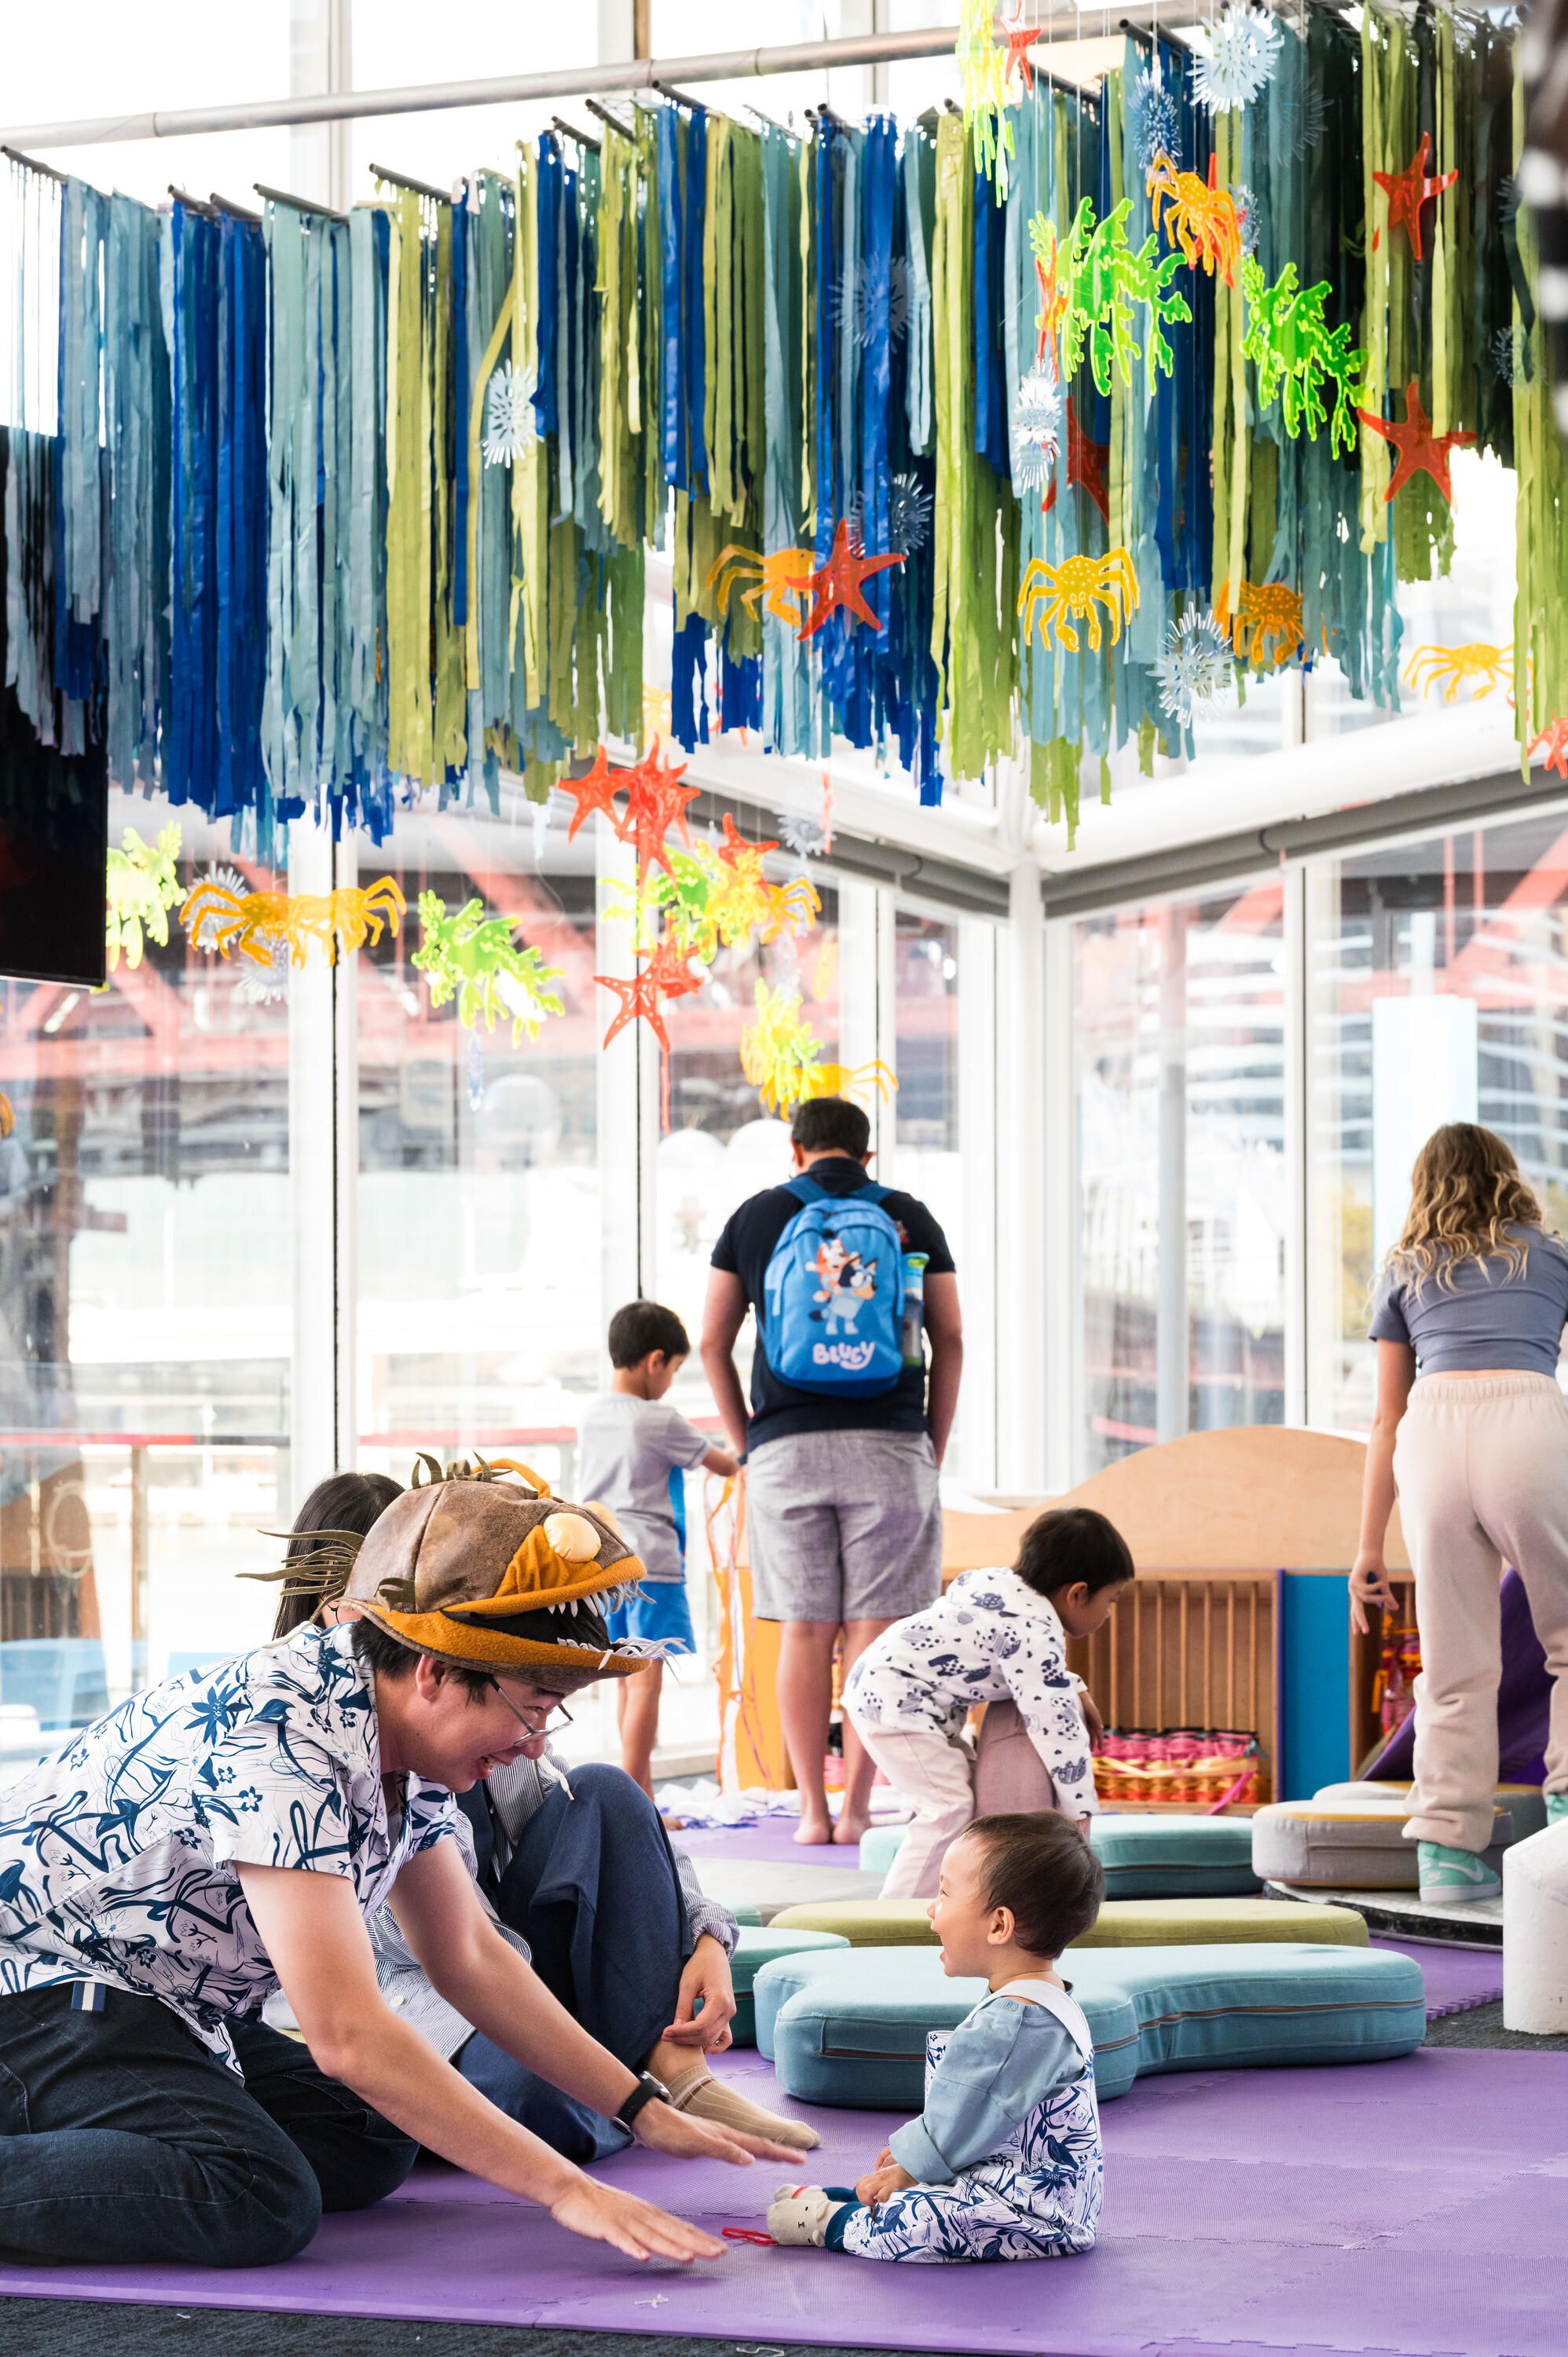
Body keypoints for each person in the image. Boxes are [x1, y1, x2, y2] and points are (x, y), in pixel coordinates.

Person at [0, 1463, 800, 2272]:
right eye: (531, 1708)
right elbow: (346, 2034)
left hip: (161, 2007)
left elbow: (471, 1957)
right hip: (40, 1995)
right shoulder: (282, 1743)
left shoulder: (390, 1737)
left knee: (368, 2138)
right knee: (257, 2193)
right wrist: (567, 2190)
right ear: (434, 1673)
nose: (536, 1745)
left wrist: (640, 2106)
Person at [269, 1468, 815, 2162]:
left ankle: (670, 2074)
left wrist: (703, 1934)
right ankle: (622, 2091)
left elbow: (598, 1827)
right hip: (414, 1994)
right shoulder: (312, 1741)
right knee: (539, 2106)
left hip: (508, 1973)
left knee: (604, 1789)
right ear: (331, 1606)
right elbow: (431, 1955)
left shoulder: (473, 1688)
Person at [702, 1094, 963, 1848]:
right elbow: (949, 1336)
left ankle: (813, 1813)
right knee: (878, 1638)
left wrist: (747, 1441)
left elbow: (712, 1340)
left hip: (785, 1447)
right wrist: (930, 1447)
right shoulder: (907, 1214)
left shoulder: (757, 1217)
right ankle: (861, 1811)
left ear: (796, 1151)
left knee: (805, 1633)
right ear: (867, 1156)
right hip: (890, 1442)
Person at [1352, 1121, 1568, 1905]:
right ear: (1506, 1175)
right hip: (1529, 1424)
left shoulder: (1405, 1268)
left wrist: (1367, 1544)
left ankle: (1444, 1853)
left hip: (1431, 1434)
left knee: (1453, 1664)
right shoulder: (1549, 1253)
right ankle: (1566, 1825)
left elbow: (1383, 1418)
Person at [765, 1812, 1104, 2262]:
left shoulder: (1013, 2023)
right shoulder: (1043, 1999)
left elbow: (965, 2115)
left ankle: (831, 2222)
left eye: (944, 1892)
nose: (932, 1907)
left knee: (927, 2223)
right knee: (929, 2197)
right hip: (1015, 2185)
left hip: (1033, 2213)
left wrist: (910, 2167)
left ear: (999, 1925)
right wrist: (913, 2157)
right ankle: (860, 2201)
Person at [842, 1508, 1128, 1900]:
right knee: (946, 1809)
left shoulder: (1002, 1593)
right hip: (896, 1705)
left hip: (891, 1692)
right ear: (1077, 1593)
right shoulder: (1033, 1631)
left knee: (961, 1793)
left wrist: (1073, 1686)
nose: (1109, 1614)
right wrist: (1079, 1809)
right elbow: (1057, 1729)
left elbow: (1034, 1675)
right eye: (1111, 1600)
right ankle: (893, 1916)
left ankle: (957, 1898)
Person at [576, 1299, 740, 1799]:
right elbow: (726, 1464)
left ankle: (640, 1797)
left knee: (626, 1676)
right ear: (654, 1360)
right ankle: (633, 1801)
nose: (670, 1381)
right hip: (651, 1565)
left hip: (600, 1564)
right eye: (674, 1369)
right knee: (647, 1679)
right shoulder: (658, 1418)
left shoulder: (592, 1416)